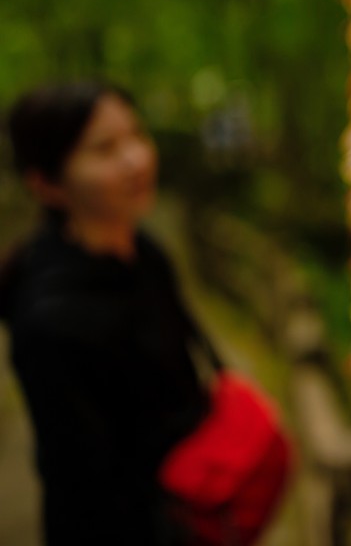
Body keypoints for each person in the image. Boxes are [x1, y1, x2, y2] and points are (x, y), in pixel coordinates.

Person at [0, 82, 212, 544]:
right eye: (105, 149)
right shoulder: (51, 321)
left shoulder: (146, 253)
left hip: (191, 509)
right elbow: (85, 486)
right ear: (47, 185)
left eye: (137, 135)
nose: (137, 159)